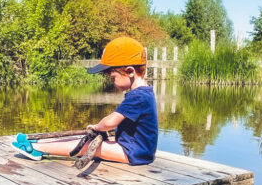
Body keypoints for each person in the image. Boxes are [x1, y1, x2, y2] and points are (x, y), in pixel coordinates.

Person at [11, 36, 159, 164]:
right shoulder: (143, 93)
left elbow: (110, 122)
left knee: (87, 144)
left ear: (130, 71)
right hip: (134, 149)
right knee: (87, 139)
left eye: (113, 78)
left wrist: (98, 127)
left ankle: (37, 148)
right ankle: (38, 141)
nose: (111, 82)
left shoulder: (138, 96)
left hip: (135, 153)